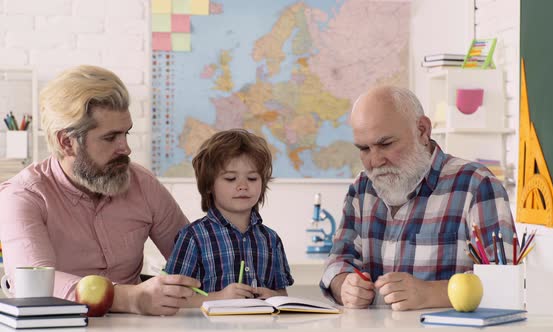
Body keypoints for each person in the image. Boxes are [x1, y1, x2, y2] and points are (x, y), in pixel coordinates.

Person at [0, 65, 200, 316]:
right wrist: (130, 298)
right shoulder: (22, 196)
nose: (125, 149)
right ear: (67, 142)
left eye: (126, 134)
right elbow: (34, 287)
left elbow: (197, 262)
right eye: (110, 137)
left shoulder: (143, 184)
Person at [320, 86, 516, 311]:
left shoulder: (476, 185)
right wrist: (344, 285)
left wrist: (430, 293)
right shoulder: (361, 188)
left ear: (422, 130)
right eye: (364, 148)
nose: (375, 160)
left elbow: (505, 281)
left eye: (385, 144)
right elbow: (336, 262)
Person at [164, 129, 293, 307]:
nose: (242, 186)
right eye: (231, 178)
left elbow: (282, 293)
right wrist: (219, 297)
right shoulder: (193, 237)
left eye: (252, 178)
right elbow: (172, 298)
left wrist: (271, 296)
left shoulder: (271, 239)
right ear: (209, 185)